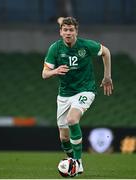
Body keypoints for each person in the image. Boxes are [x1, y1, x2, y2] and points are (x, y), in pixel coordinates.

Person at [42, 17, 113, 174]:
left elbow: (106, 52)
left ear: (76, 32)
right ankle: (72, 161)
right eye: (65, 30)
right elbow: (44, 74)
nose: (68, 33)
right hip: (64, 94)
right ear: (60, 32)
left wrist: (107, 76)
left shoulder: (86, 45)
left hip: (85, 90)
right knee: (64, 137)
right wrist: (55, 71)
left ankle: (78, 163)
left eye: (71, 30)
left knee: (72, 119)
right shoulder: (55, 48)